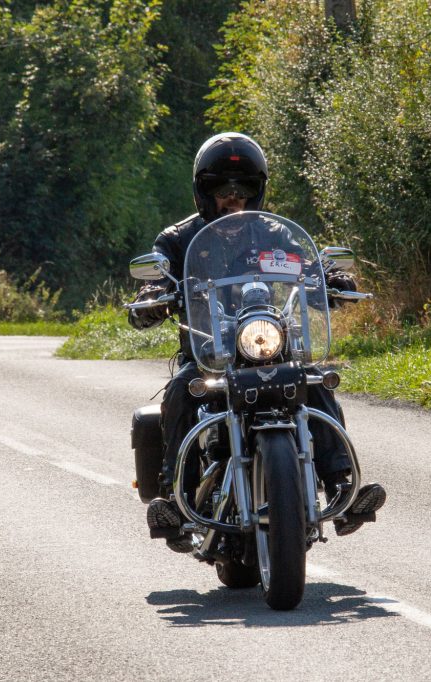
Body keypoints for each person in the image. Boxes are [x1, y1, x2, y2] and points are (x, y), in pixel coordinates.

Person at [128, 132, 387, 552]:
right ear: (203, 192)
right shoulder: (177, 239)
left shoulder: (274, 234)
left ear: (258, 190)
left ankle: (344, 486)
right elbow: (157, 279)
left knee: (316, 381)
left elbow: (308, 265)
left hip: (269, 344)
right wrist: (152, 297)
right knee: (180, 390)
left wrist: (329, 279)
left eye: (243, 188)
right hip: (212, 354)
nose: (233, 197)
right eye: (222, 189)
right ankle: (173, 499)